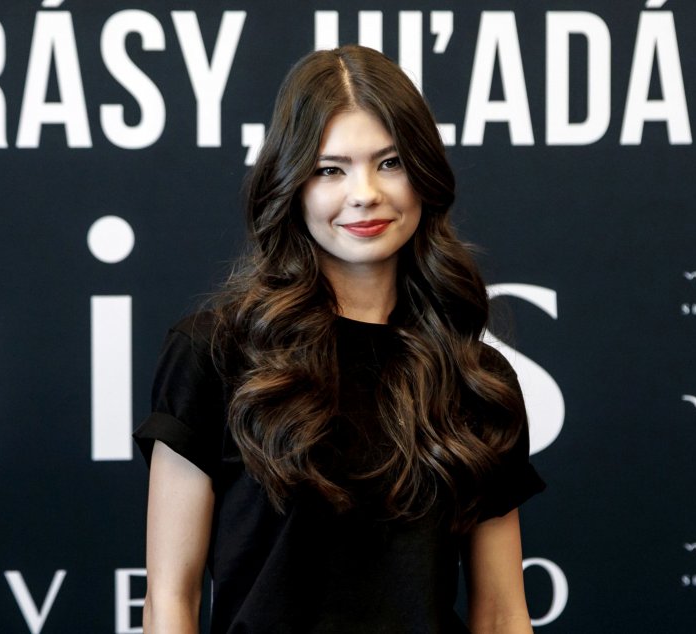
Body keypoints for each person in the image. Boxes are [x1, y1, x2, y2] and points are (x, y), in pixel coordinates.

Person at [134, 44, 545, 634]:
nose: (364, 193)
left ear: (424, 174)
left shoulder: (473, 378)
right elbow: (170, 601)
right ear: (292, 184)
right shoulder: (213, 356)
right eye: (330, 169)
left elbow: (503, 612)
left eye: (390, 162)